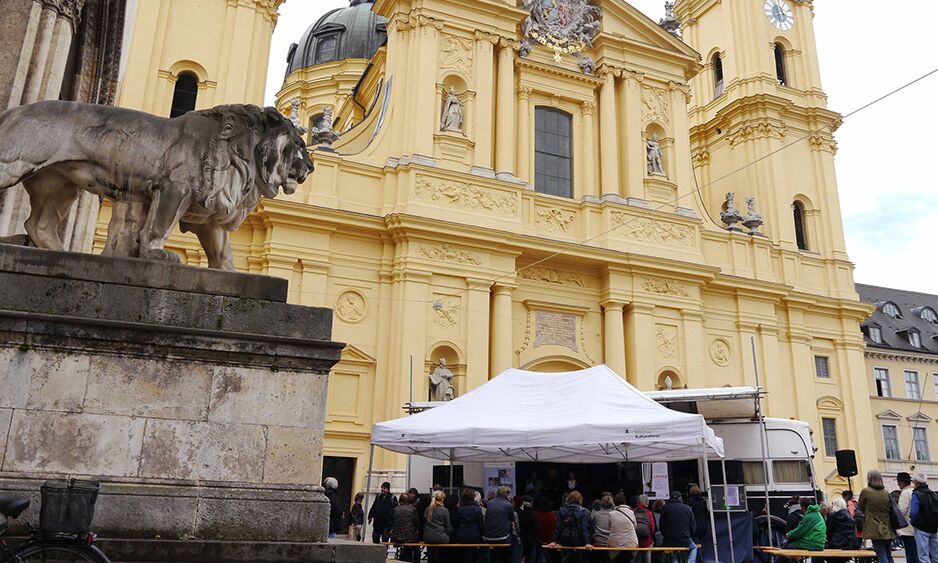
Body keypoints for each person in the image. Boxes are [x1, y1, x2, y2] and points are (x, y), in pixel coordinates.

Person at [858, 469, 896, 563]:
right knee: (888, 553)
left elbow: (860, 507)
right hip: (887, 526)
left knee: (880, 553)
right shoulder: (885, 492)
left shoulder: (866, 491)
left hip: (874, 526)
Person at [549, 490, 594, 563]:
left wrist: (554, 541)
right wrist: (587, 543)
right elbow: (584, 528)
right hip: (579, 542)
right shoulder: (583, 511)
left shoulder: (561, 510)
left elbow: (558, 527)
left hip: (564, 541)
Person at [658, 491, 696, 563]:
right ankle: (690, 561)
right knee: (694, 548)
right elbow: (693, 526)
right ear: (680, 498)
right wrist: (689, 535)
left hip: (669, 540)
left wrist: (665, 535)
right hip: (685, 539)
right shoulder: (688, 508)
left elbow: (661, 525)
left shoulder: (665, 508)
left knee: (672, 553)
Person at [483, 485, 518, 563]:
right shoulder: (509, 505)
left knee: (494, 554)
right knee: (516, 542)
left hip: (488, 537)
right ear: (507, 494)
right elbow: (512, 520)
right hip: (503, 537)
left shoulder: (490, 503)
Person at [910, 472, 938, 562]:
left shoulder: (916, 494)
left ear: (916, 482)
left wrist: (912, 522)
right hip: (933, 527)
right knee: (936, 553)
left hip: (921, 527)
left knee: (923, 555)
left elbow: (914, 512)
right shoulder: (933, 494)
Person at [454, 488, 485, 563]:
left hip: (462, 536)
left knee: (463, 556)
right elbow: (481, 524)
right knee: (474, 556)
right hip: (474, 536)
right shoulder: (477, 509)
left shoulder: (460, 509)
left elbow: (456, 524)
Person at [895, 472, 919, 563]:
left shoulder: (905, 493)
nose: (897, 484)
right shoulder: (915, 491)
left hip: (907, 529)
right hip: (916, 528)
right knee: (916, 552)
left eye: (898, 481)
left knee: (910, 554)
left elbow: (902, 510)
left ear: (902, 482)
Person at [608, 492, 639, 563]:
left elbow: (610, 528)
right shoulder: (631, 512)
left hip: (616, 543)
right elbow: (635, 526)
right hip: (631, 542)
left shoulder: (611, 514)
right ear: (625, 502)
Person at [424, 490, 453, 563]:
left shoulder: (427, 509)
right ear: (442, 499)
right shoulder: (445, 510)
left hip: (428, 537)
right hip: (441, 537)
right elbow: (448, 527)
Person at [391, 493, 421, 563]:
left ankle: (404, 558)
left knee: (407, 548)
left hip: (396, 537)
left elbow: (392, 522)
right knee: (416, 546)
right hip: (410, 537)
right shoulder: (413, 509)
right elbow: (416, 523)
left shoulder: (395, 509)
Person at [632, 495, 656, 563]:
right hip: (647, 541)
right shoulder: (649, 513)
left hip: (636, 540)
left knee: (637, 558)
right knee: (647, 555)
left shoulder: (632, 511)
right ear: (646, 502)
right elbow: (652, 528)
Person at [591, 493, 615, 561]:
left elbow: (592, 528)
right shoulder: (615, 514)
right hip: (610, 544)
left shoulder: (596, 514)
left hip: (598, 542)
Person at [518, 495, 540, 563]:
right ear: (531, 503)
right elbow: (535, 528)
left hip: (521, 539)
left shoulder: (518, 513)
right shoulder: (533, 514)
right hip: (531, 540)